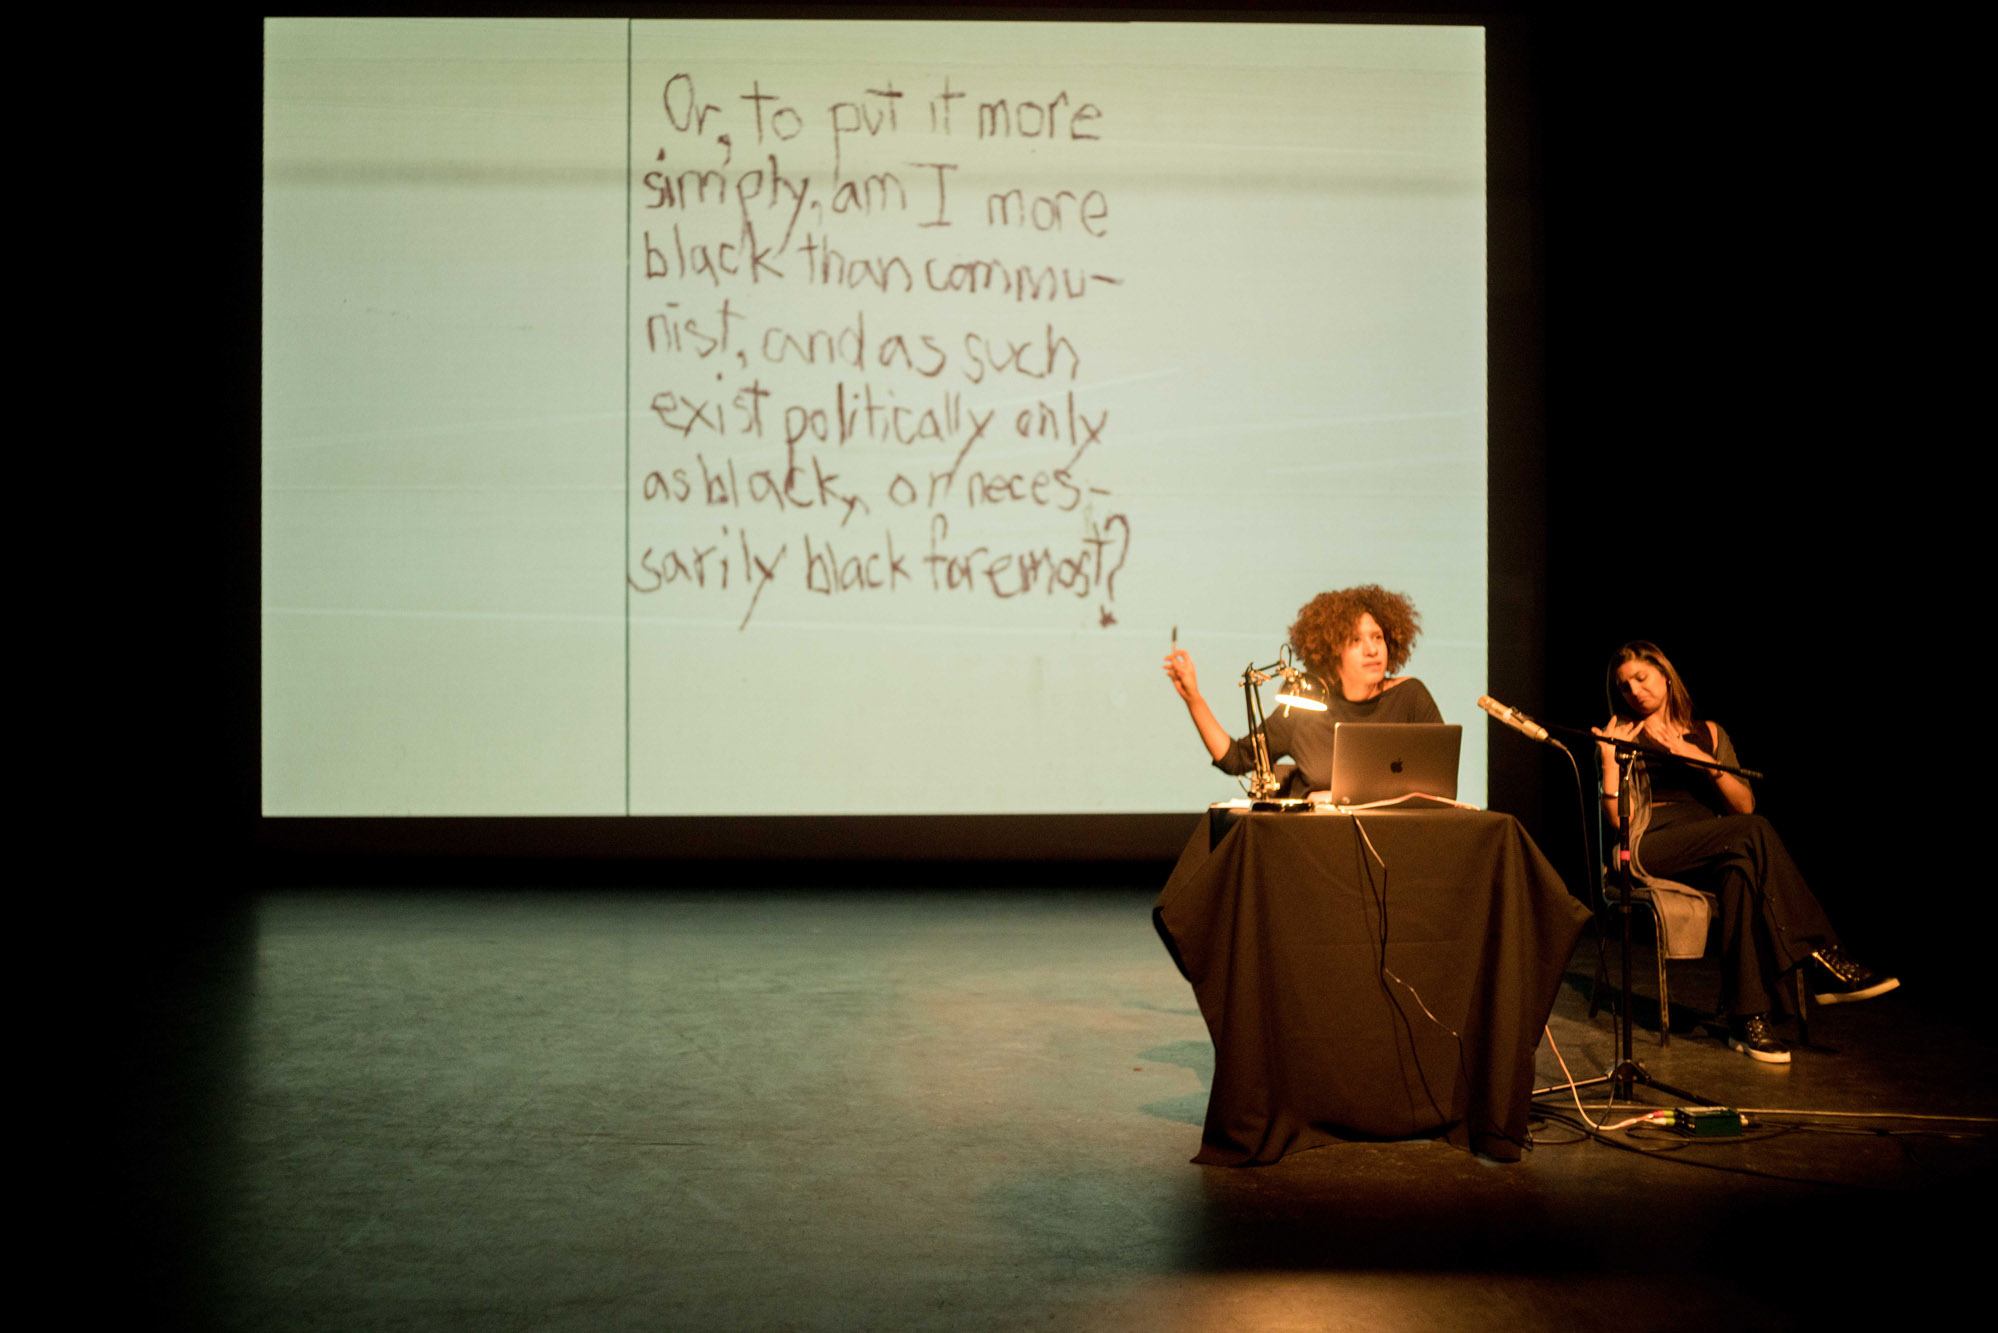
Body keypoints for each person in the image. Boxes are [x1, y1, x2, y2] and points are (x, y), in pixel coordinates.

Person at [1596, 641, 1897, 1064]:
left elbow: (1744, 805)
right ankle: (1818, 954)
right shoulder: (1622, 735)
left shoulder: (1710, 732)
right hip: (1651, 841)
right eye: (1624, 687)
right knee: (1751, 834)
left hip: (1715, 841)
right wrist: (1610, 763)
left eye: (1641, 679)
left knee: (1740, 870)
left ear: (1665, 675)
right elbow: (1616, 821)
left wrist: (1701, 760)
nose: (1634, 691)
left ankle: (1749, 1020)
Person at [1163, 584, 1442, 797]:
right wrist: (1193, 698)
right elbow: (1235, 759)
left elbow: (1438, 785)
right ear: (1332, 651)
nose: (1372, 650)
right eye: (1356, 640)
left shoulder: (1411, 696)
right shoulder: (1304, 706)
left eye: (1377, 637)